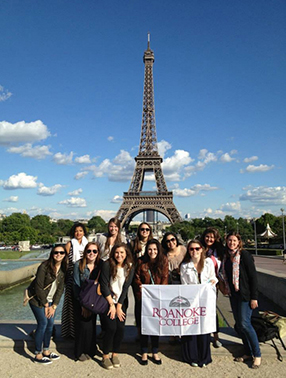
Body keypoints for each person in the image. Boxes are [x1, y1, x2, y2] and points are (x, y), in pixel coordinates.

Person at [221, 232, 261, 369]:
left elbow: (253, 278)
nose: (231, 243)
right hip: (234, 295)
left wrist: (254, 297)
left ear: (239, 242)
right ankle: (248, 352)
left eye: (234, 240)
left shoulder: (245, 256)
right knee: (239, 324)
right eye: (229, 240)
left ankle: (257, 354)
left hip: (245, 295)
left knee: (245, 324)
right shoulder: (226, 256)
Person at [180, 239, 217, 368]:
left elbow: (213, 277)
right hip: (191, 302)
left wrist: (212, 282)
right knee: (192, 327)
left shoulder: (208, 263)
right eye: (191, 249)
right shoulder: (184, 266)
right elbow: (184, 285)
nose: (194, 251)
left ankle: (204, 357)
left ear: (202, 249)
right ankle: (192, 356)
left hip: (206, 301)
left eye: (197, 248)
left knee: (204, 328)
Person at [28, 245, 68, 364]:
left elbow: (60, 289)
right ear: (52, 253)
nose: (59, 255)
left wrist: (54, 305)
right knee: (43, 323)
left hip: (50, 301)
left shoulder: (63, 269)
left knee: (50, 324)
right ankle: (38, 354)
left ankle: (46, 350)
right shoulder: (44, 266)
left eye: (61, 253)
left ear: (65, 255)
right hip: (37, 300)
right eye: (56, 252)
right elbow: (38, 287)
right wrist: (46, 305)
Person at [99, 243, 134, 369]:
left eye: (122, 253)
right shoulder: (107, 265)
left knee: (120, 328)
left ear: (126, 254)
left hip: (121, 302)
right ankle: (105, 355)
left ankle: (115, 353)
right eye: (117, 252)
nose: (119, 255)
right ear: (113, 253)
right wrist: (111, 304)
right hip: (107, 301)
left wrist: (118, 306)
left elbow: (126, 287)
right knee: (111, 328)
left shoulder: (130, 267)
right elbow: (103, 285)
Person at [134, 239, 168, 365]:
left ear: (158, 250)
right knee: (144, 325)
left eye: (154, 249)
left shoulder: (163, 261)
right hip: (144, 298)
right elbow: (136, 278)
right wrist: (141, 289)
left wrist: (159, 293)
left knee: (155, 325)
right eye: (150, 249)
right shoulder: (140, 261)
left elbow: (165, 278)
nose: (152, 252)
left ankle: (154, 350)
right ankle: (143, 351)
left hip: (156, 298)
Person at [73, 242, 103, 361]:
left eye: (94, 251)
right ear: (85, 252)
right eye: (89, 251)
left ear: (98, 253)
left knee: (91, 326)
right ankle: (79, 351)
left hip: (93, 300)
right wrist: (83, 305)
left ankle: (90, 349)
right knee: (82, 326)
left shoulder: (100, 265)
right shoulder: (78, 265)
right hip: (81, 300)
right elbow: (76, 285)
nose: (91, 253)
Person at [61, 222, 88, 338]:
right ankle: (69, 331)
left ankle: (82, 329)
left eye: (80, 231)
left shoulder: (88, 244)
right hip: (72, 276)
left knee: (84, 302)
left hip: (85, 276)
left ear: (84, 232)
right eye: (76, 231)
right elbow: (65, 261)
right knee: (71, 304)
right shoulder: (69, 244)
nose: (78, 233)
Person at [201, 227, 224, 348]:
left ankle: (215, 336)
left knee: (211, 309)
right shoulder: (198, 248)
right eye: (207, 236)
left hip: (213, 284)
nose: (209, 239)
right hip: (200, 284)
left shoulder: (220, 251)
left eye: (212, 237)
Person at [130, 222, 153, 337]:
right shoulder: (133, 244)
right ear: (139, 231)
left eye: (147, 229)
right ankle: (140, 331)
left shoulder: (153, 244)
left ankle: (151, 330)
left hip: (150, 278)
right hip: (137, 277)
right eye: (142, 229)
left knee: (151, 306)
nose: (144, 231)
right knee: (139, 304)